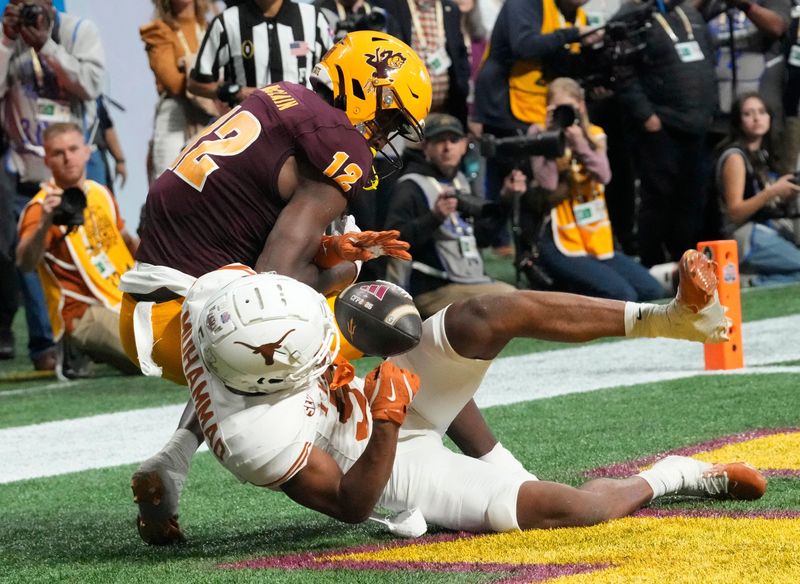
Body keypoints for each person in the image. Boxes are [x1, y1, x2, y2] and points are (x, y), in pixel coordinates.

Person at [157, 248, 762, 542]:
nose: (330, 348)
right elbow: (348, 503)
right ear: (270, 380)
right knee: (570, 511)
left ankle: (670, 317)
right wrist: (389, 421)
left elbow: (289, 307)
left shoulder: (221, 298)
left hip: (375, 404)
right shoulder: (249, 438)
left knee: (483, 314)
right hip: (386, 463)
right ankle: (679, 475)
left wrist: (327, 265)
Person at [120, 31, 432, 545]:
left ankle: (173, 460)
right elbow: (277, 280)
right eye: (389, 118)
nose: (383, 137)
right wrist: (348, 269)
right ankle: (375, 495)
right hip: (185, 320)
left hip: (151, 307)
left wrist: (335, 252)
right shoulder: (339, 143)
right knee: (366, 325)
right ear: (362, 87)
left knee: (296, 317)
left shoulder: (281, 97)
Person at [0, 0, 105, 370]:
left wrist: (47, 45)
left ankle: (101, 334)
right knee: (30, 254)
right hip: (26, 166)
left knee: (93, 247)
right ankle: (46, 344)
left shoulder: (78, 31)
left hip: (78, 165)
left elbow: (91, 85)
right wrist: (5, 40)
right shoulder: (4, 35)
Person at [15, 123, 140, 378]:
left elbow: (126, 242)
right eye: (58, 152)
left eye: (73, 149)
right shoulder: (40, 208)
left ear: (86, 152)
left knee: (178, 338)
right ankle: (72, 346)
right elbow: (25, 262)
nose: (68, 157)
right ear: (47, 159)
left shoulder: (101, 193)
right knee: (151, 357)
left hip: (121, 298)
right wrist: (44, 224)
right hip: (81, 313)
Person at [472, 0, 595, 254]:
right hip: (504, 104)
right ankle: (494, 241)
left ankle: (529, 244)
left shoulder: (575, 13)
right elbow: (524, 45)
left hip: (537, 104)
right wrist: (573, 35)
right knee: (506, 177)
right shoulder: (525, 4)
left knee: (532, 177)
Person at [529, 78, 664, 301]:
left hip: (595, 238)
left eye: (568, 108)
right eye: (557, 109)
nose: (564, 114)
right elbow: (548, 184)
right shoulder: (539, 134)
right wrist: (552, 139)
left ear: (580, 106)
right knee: (623, 294)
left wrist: (580, 143)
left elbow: (604, 175)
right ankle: (567, 291)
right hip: (559, 240)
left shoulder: (594, 134)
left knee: (652, 290)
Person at [613, 0, 717, 267]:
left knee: (692, 198)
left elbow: (707, 59)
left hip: (697, 124)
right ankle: (652, 261)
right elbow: (622, 71)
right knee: (658, 197)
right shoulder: (630, 16)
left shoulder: (689, 12)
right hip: (661, 126)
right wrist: (646, 115)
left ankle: (687, 262)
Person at [384, 113, 518, 317]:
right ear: (425, 146)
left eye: (454, 140)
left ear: (465, 145)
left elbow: (482, 239)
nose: (447, 147)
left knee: (516, 300)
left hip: (468, 282)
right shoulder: (410, 186)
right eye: (439, 141)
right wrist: (434, 217)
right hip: (432, 290)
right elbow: (392, 242)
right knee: (514, 300)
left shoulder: (460, 181)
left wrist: (507, 199)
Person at [714, 92, 800, 285]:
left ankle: (755, 280)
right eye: (748, 114)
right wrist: (772, 191)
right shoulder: (735, 157)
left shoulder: (763, 153)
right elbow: (734, 213)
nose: (756, 118)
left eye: (761, 112)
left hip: (763, 229)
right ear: (738, 121)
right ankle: (746, 284)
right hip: (743, 235)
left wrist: (785, 193)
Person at [187, 0, 332, 106]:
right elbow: (195, 83)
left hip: (304, 129)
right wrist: (238, 92)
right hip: (251, 132)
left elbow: (336, 77)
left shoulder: (313, 18)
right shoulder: (227, 22)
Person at [140, 0, 215, 183]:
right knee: (167, 179)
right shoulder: (158, 30)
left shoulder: (215, 27)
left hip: (213, 113)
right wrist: (212, 82)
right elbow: (173, 83)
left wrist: (186, 64)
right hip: (176, 112)